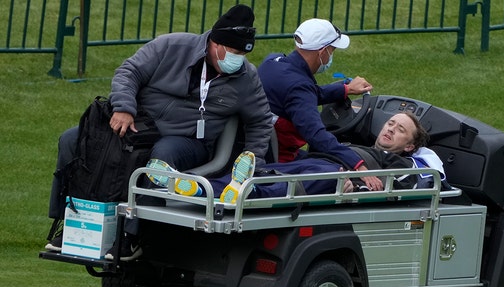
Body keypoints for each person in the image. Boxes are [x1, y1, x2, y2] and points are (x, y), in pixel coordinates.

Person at [45, 5, 273, 260]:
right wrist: (124, 108)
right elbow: (128, 72)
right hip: (139, 126)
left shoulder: (247, 77)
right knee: (72, 139)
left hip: (187, 141)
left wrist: (254, 160)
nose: (238, 59)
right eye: (233, 51)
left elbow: (261, 121)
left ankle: (131, 237)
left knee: (160, 157)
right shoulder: (171, 46)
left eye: (242, 53)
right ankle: (70, 224)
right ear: (215, 43)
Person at [155, 112, 441, 202]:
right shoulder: (357, 144)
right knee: (262, 173)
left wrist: (360, 185)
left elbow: (427, 182)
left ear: (409, 146)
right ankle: (193, 186)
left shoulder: (402, 164)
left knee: (289, 186)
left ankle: (240, 195)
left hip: (337, 178)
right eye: (390, 123)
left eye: (401, 129)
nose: (391, 128)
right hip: (319, 161)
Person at [257, 18, 383, 191]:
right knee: (333, 170)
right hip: (277, 160)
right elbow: (316, 134)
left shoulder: (272, 62)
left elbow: (303, 94)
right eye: (332, 50)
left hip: (260, 149)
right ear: (322, 52)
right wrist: (359, 164)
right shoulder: (299, 87)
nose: (331, 55)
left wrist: (345, 89)